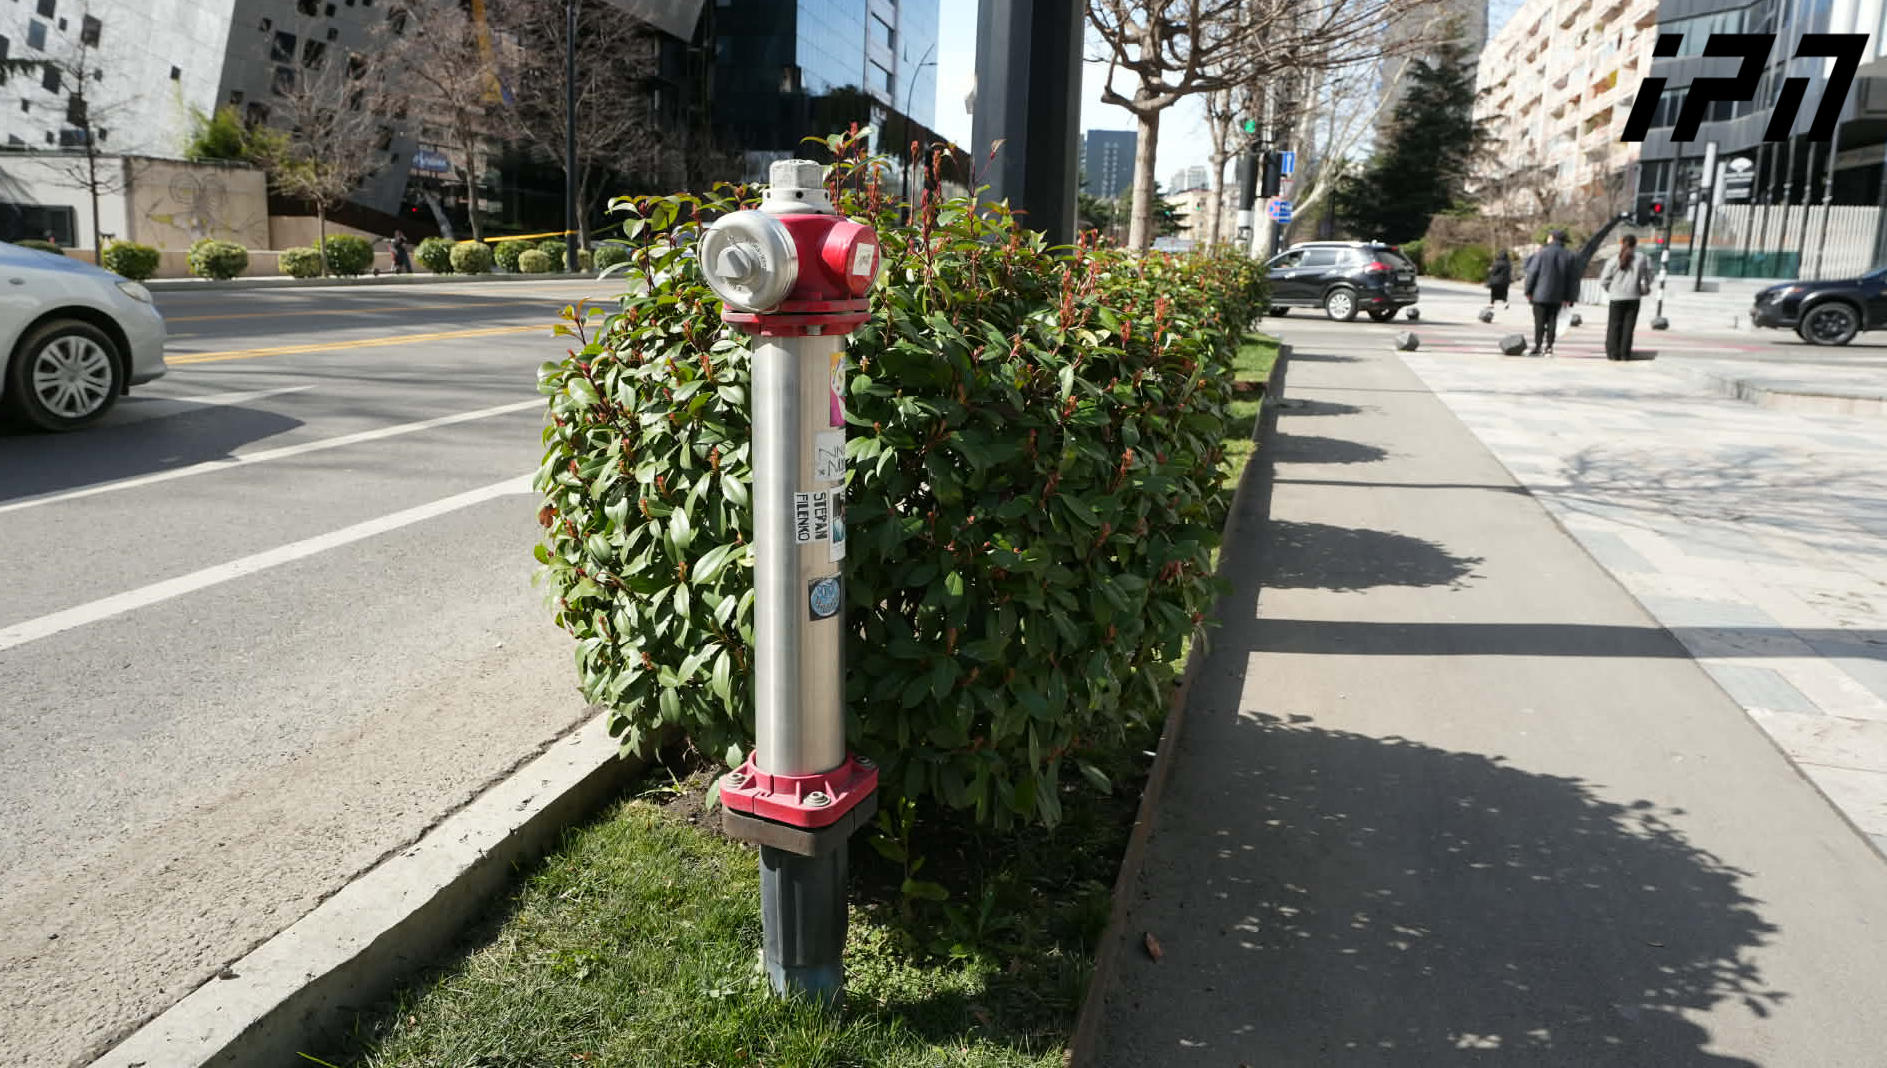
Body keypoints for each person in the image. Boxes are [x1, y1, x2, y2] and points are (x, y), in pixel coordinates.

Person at [1522, 230, 1579, 356]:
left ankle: (1537, 346)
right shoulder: (1570, 255)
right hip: (1559, 295)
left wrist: (1528, 290)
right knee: (1553, 320)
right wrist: (1570, 297)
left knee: (1539, 321)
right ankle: (1549, 346)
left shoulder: (1542, 253)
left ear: (1552, 238)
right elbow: (1573, 279)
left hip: (1540, 293)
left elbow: (1532, 273)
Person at [1598, 234, 1654, 361]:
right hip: (1634, 297)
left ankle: (1613, 353)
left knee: (1614, 325)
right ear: (1635, 244)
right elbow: (1649, 276)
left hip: (1616, 297)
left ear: (1621, 243)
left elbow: (1604, 280)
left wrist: (1611, 289)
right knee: (1629, 326)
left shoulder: (1613, 260)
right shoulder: (1642, 259)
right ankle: (1625, 353)